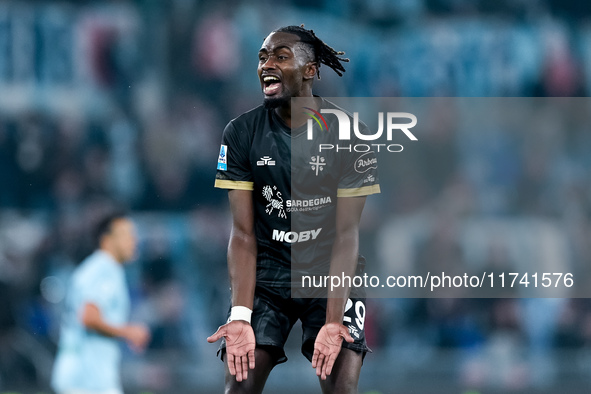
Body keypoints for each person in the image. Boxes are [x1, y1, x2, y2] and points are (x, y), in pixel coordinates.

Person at [207, 25, 380, 394]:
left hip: (328, 271)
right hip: (268, 275)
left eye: (280, 56)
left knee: (341, 390)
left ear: (310, 70)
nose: (266, 64)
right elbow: (242, 234)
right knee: (237, 388)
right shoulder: (241, 133)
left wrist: (333, 322)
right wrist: (240, 316)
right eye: (262, 57)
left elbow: (346, 235)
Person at [52, 213, 150, 394]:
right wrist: (129, 331)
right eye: (127, 235)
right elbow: (88, 317)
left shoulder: (103, 269)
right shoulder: (103, 270)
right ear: (106, 240)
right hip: (86, 379)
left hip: (91, 377)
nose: (134, 241)